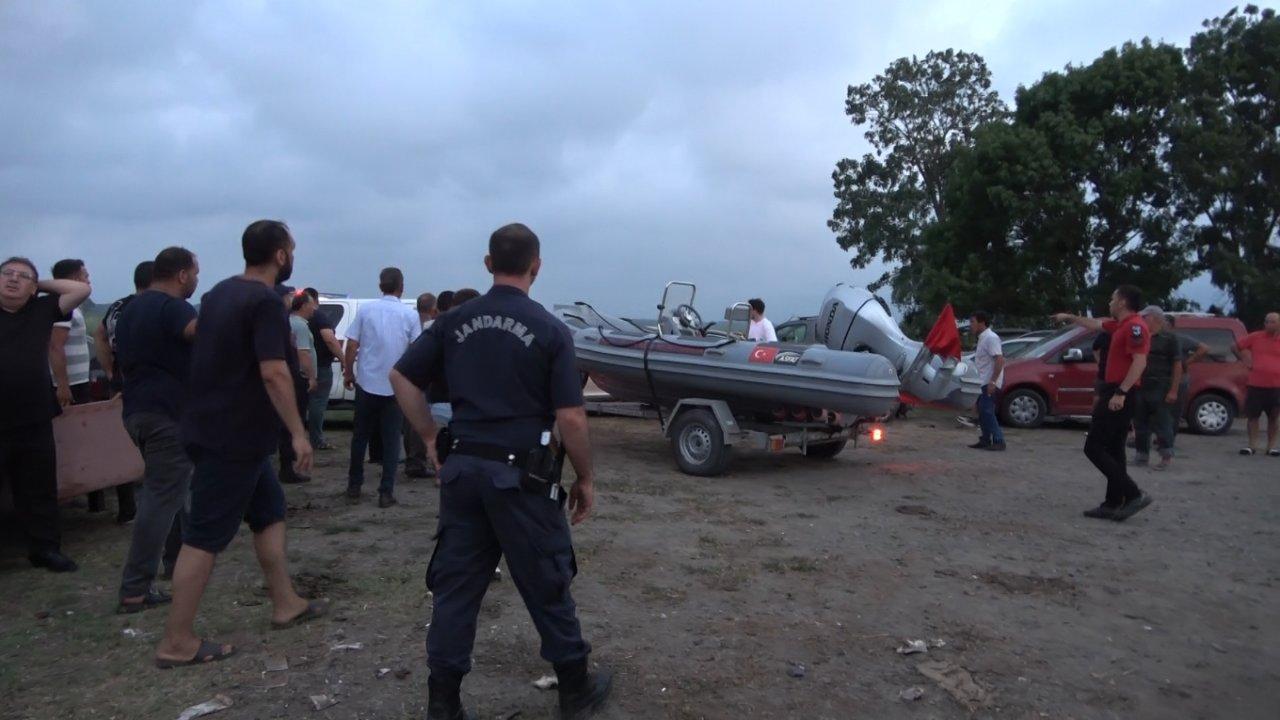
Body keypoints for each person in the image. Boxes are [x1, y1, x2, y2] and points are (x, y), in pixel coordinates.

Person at [391, 223, 611, 720]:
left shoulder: (452, 322)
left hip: (464, 472)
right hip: (522, 481)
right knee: (547, 578)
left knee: (457, 586)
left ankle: (443, 703)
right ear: (537, 266)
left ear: (488, 264)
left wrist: (430, 438)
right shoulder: (551, 329)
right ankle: (575, 687)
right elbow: (571, 417)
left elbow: (401, 376)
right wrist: (586, 478)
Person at [155, 220, 324, 669]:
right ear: (282, 256)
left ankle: (285, 601)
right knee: (205, 537)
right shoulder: (265, 302)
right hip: (231, 436)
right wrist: (298, 432)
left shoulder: (218, 294)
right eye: (291, 248)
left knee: (269, 512)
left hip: (218, 428)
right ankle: (176, 641)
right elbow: (273, 371)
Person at [114, 247, 200, 612]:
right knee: (161, 499)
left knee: (175, 494)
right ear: (182, 275)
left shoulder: (130, 309)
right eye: (195, 273)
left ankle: (177, 563)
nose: (196, 280)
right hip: (167, 414)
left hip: (137, 411)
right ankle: (135, 588)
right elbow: (200, 333)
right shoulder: (174, 306)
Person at [0, 257, 91, 572]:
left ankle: (45, 549)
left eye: (22, 276)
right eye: (7, 274)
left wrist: (35, 284)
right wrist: (26, 279)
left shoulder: (40, 310)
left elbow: (79, 288)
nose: (13, 280)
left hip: (34, 415)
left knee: (38, 487)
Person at [1052, 285, 1154, 522]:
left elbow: (1139, 362)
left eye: (1112, 298)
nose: (1110, 302)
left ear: (1122, 302)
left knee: (1094, 447)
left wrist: (1121, 392)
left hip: (1119, 391)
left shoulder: (1135, 327)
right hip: (1115, 389)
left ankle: (1133, 493)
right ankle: (1113, 502)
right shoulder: (1120, 325)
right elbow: (1095, 324)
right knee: (1114, 449)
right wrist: (1069, 317)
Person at [49, 259, 137, 521]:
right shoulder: (62, 308)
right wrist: (63, 385)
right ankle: (123, 507)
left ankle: (97, 501)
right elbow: (55, 347)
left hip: (77, 382)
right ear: (73, 277)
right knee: (101, 441)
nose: (88, 280)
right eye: (85, 275)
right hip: (70, 386)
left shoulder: (68, 307)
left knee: (93, 441)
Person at [343, 267, 421, 507]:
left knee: (360, 438)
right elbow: (416, 350)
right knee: (391, 441)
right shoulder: (409, 315)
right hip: (395, 386)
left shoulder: (366, 311)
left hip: (367, 382)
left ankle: (354, 486)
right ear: (401, 287)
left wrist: (348, 371)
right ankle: (386, 491)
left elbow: (352, 345)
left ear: (380, 286)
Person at [1131, 307, 1183, 470]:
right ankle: (1141, 455)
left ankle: (1165, 457)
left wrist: (1174, 389)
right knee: (1140, 421)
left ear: (1153, 318)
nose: (1142, 321)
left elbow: (1177, 364)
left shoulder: (1170, 338)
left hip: (1161, 384)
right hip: (1141, 384)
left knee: (1162, 422)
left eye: (1144, 317)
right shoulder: (1141, 337)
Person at [95, 260, 154, 391]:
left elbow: (99, 335)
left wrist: (110, 372)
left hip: (120, 378)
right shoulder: (151, 306)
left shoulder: (117, 306)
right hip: (145, 383)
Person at [279, 290, 318, 484]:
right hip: (298, 379)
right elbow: (304, 355)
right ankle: (290, 466)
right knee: (295, 422)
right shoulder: (300, 326)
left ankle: (288, 463)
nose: (315, 307)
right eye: (312, 304)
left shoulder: (289, 322)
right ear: (303, 306)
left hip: (290, 377)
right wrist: (311, 377)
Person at [303, 288, 344, 451]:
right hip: (320, 367)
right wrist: (343, 360)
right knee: (318, 403)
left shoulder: (297, 318)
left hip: (304, 366)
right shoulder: (319, 317)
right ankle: (316, 439)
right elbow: (330, 340)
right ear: (315, 300)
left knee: (305, 403)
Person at [405, 292, 440, 479]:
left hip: (408, 377)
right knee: (421, 418)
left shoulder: (409, 320)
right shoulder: (430, 327)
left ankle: (411, 457)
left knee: (409, 419)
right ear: (434, 309)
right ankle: (416, 461)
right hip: (422, 378)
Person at [1235, 311, 1280, 456]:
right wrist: (1245, 361)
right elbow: (1235, 346)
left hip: (1276, 385)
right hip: (1256, 384)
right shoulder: (1256, 336)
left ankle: (1271, 446)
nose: (1268, 324)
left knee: (1273, 416)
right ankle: (1252, 445)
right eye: (1267, 321)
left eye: (1272, 322)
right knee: (1253, 416)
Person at [968, 311, 1006, 451]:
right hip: (982, 381)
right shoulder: (983, 338)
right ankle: (985, 439)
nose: (970, 325)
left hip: (988, 382)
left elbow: (1000, 360)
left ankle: (998, 439)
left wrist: (993, 382)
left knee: (987, 411)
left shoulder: (991, 338)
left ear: (981, 322)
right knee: (982, 411)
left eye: (972, 322)